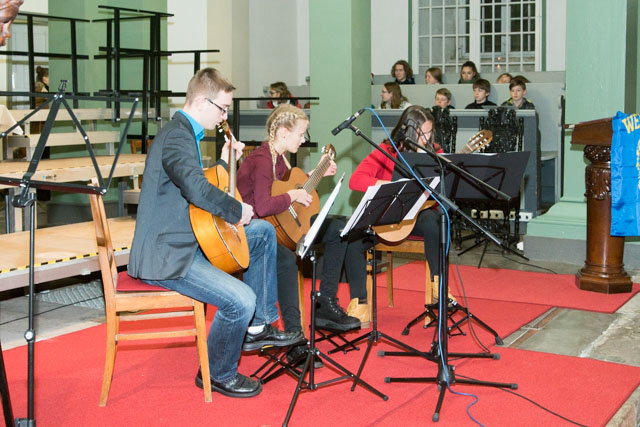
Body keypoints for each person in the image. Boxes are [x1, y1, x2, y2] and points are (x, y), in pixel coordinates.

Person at [127, 68, 302, 399]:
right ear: (201, 102)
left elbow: (197, 184)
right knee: (241, 300)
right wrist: (237, 211)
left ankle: (259, 326)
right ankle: (219, 372)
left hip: (186, 240)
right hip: (168, 255)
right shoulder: (177, 136)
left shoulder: (184, 134)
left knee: (262, 232)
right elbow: (196, 189)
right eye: (222, 108)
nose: (224, 117)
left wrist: (223, 163)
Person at [237, 104, 368, 344]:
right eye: (300, 134)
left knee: (339, 229)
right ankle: (295, 334)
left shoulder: (280, 159)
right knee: (287, 260)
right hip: (255, 232)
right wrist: (293, 195)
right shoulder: (262, 159)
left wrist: (315, 175)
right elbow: (263, 207)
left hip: (278, 226)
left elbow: (283, 190)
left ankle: (325, 303)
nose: (304, 139)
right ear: (283, 133)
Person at [349, 106, 447, 292]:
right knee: (352, 242)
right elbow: (355, 180)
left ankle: (439, 288)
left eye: (430, 133)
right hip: (388, 216)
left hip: (417, 216)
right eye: (422, 134)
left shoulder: (435, 151)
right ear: (408, 131)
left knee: (435, 223)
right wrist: (390, 186)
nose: (427, 139)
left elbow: (443, 186)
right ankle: (359, 300)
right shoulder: (387, 150)